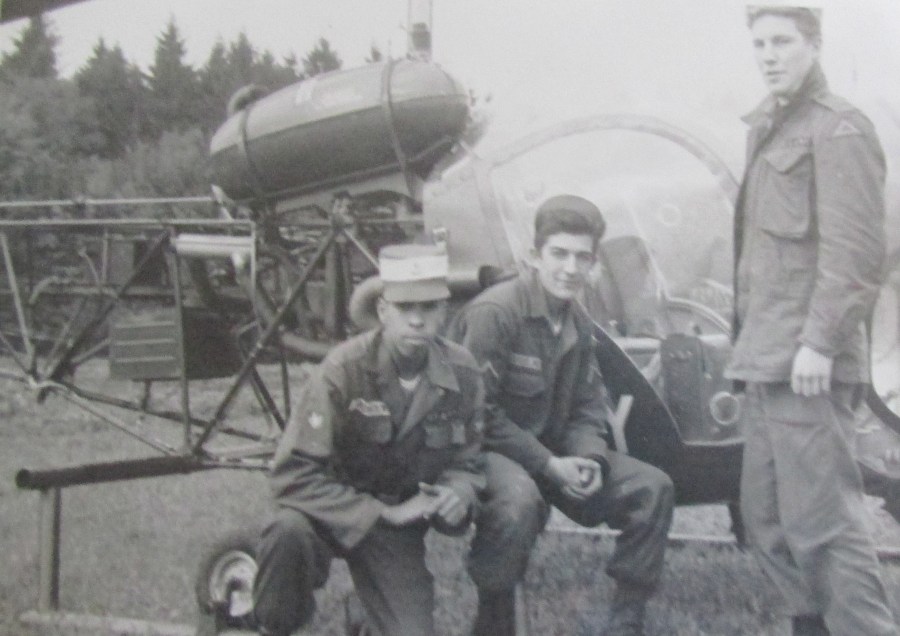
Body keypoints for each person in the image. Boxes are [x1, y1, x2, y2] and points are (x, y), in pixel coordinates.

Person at [728, 5, 898, 635]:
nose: (769, 55)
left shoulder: (839, 129)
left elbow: (857, 252)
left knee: (824, 527)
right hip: (766, 357)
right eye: (759, 44)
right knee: (766, 519)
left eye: (782, 41)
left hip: (808, 362)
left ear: (815, 44)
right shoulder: (768, 127)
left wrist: (820, 342)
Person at [447, 195, 675, 636]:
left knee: (652, 488)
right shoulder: (495, 313)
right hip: (487, 452)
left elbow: (588, 404)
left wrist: (589, 458)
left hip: (555, 456)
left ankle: (626, 622)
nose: (570, 268)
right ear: (534, 256)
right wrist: (548, 464)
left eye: (582, 257)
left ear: (593, 263)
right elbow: (475, 413)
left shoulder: (577, 320)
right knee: (518, 500)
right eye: (559, 254)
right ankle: (493, 618)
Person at [252, 244, 485, 636]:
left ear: (444, 311)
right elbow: (291, 476)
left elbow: (468, 462)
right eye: (404, 308)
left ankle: (364, 614)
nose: (417, 321)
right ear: (382, 311)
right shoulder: (343, 368)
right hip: (327, 513)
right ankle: (270, 626)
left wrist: (457, 493)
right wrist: (382, 512)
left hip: (394, 529)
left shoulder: (462, 372)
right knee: (286, 533)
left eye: (429, 307)